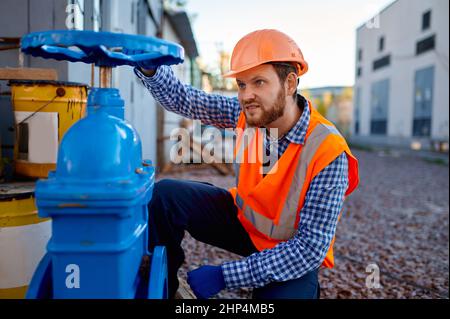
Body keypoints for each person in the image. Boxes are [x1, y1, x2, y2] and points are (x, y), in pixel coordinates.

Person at [133, 29, 359, 299]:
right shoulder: (248, 113)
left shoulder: (329, 150)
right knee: (166, 195)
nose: (246, 95)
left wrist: (225, 275)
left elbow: (309, 248)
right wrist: (150, 71)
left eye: (259, 82)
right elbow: (188, 100)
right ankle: (165, 288)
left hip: (290, 248)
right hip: (243, 223)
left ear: (289, 83)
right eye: (241, 84)